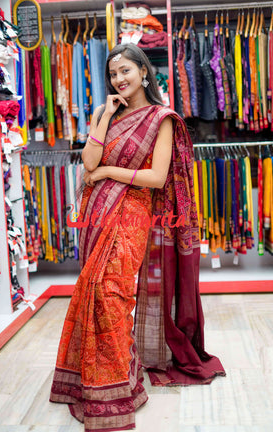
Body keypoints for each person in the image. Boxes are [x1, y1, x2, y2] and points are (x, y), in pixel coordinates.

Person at [50, 43, 226, 432]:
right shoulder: (106, 113)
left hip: (131, 213)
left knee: (113, 294)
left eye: (126, 71)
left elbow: (157, 178)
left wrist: (109, 173)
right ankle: (110, 380)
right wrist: (104, 116)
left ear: (143, 72)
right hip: (97, 214)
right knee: (95, 292)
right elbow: (89, 163)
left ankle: (116, 388)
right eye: (113, 73)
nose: (119, 79)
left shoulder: (162, 119)